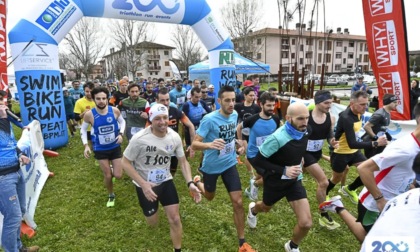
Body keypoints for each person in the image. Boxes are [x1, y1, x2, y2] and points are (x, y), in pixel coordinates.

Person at [320, 104, 420, 243]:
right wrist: (379, 199)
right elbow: (364, 169)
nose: (364, 106)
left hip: (394, 202)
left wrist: (412, 185)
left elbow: (408, 171)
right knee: (371, 241)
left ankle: (339, 202)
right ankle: (338, 207)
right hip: (373, 204)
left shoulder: (415, 146)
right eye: (361, 104)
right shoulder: (405, 148)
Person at [121, 104, 201, 252]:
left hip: (165, 181)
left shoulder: (174, 136)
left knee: (175, 219)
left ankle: (177, 249)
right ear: (151, 120)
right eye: (157, 119)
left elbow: (183, 161)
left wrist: (190, 182)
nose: (163, 122)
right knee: (153, 222)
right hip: (145, 186)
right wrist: (143, 184)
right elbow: (125, 163)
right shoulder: (139, 139)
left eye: (165, 117)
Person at [191, 85, 255, 252]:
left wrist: (237, 145)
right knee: (210, 197)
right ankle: (198, 182)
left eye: (233, 100)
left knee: (238, 202)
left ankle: (242, 243)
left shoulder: (234, 115)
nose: (231, 104)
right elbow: (194, 144)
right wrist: (209, 145)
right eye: (227, 100)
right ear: (219, 101)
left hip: (229, 163)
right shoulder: (209, 119)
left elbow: (231, 135)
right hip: (211, 167)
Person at [247, 102, 312, 252]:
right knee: (265, 207)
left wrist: (299, 158)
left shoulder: (306, 130)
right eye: (300, 119)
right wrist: (283, 170)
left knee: (306, 223)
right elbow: (258, 160)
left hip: (294, 181)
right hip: (275, 181)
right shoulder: (277, 138)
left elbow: (300, 146)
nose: (305, 123)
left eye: (307, 118)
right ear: (289, 118)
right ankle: (253, 210)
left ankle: (292, 246)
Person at [326, 91, 387, 204]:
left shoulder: (359, 112)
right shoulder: (346, 118)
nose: (366, 107)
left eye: (366, 103)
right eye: (362, 104)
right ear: (352, 103)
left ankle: (350, 189)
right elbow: (352, 143)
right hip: (341, 152)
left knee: (369, 170)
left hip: (354, 152)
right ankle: (324, 193)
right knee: (336, 178)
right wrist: (376, 143)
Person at [0, 90, 40, 252]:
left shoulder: (4, 120)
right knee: (13, 217)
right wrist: (4, 117)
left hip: (15, 171)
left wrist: (20, 154)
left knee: (20, 211)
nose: (4, 104)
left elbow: (8, 143)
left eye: (4, 101)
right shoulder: (2, 120)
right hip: (3, 177)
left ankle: (18, 247)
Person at [301, 90, 341, 230]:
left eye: (331, 102)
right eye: (326, 103)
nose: (329, 105)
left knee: (293, 178)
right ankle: (323, 215)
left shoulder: (329, 117)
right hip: (305, 153)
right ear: (317, 102)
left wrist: (332, 141)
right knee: (323, 182)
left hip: (317, 153)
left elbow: (328, 133)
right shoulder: (306, 117)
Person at [81, 87, 126, 207]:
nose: (101, 101)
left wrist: (121, 134)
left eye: (103, 98)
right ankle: (111, 194)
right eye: (98, 98)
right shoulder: (89, 115)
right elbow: (83, 130)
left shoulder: (115, 111)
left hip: (115, 146)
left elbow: (122, 122)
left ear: (107, 98)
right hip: (100, 148)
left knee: (118, 175)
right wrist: (86, 146)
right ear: (94, 99)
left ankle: (112, 171)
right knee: (107, 175)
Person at [239, 92, 280, 201]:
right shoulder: (253, 119)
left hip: (269, 153)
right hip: (254, 155)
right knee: (270, 176)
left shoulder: (275, 119)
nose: (272, 108)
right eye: (268, 105)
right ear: (261, 105)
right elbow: (239, 127)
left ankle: (253, 184)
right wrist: (241, 141)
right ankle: (255, 185)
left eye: (273, 105)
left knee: (267, 174)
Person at [150, 88, 196, 176]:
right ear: (157, 101)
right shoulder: (153, 113)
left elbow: (190, 126)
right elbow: (146, 130)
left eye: (167, 100)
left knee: (172, 169)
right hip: (157, 145)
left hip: (172, 145)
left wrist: (192, 145)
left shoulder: (175, 111)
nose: (166, 103)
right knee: (158, 170)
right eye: (162, 100)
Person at [234, 87, 261, 180]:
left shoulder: (256, 107)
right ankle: (251, 174)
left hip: (254, 133)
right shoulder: (238, 107)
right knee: (248, 154)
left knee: (256, 153)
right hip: (243, 133)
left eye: (254, 95)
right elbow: (234, 119)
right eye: (250, 95)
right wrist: (239, 139)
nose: (252, 97)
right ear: (245, 96)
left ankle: (258, 172)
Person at [362, 94, 397, 158]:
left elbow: (381, 126)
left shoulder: (388, 112)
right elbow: (366, 126)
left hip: (380, 141)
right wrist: (375, 138)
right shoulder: (380, 114)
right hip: (372, 142)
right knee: (371, 163)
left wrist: (386, 133)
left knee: (380, 161)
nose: (396, 104)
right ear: (388, 103)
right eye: (394, 102)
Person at [182, 87, 212, 154]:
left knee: (202, 147)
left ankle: (201, 160)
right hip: (189, 128)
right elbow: (184, 119)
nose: (198, 99)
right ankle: (186, 159)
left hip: (200, 127)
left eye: (199, 97)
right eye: (196, 97)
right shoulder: (186, 105)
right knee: (189, 147)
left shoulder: (201, 102)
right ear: (191, 96)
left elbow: (210, 112)